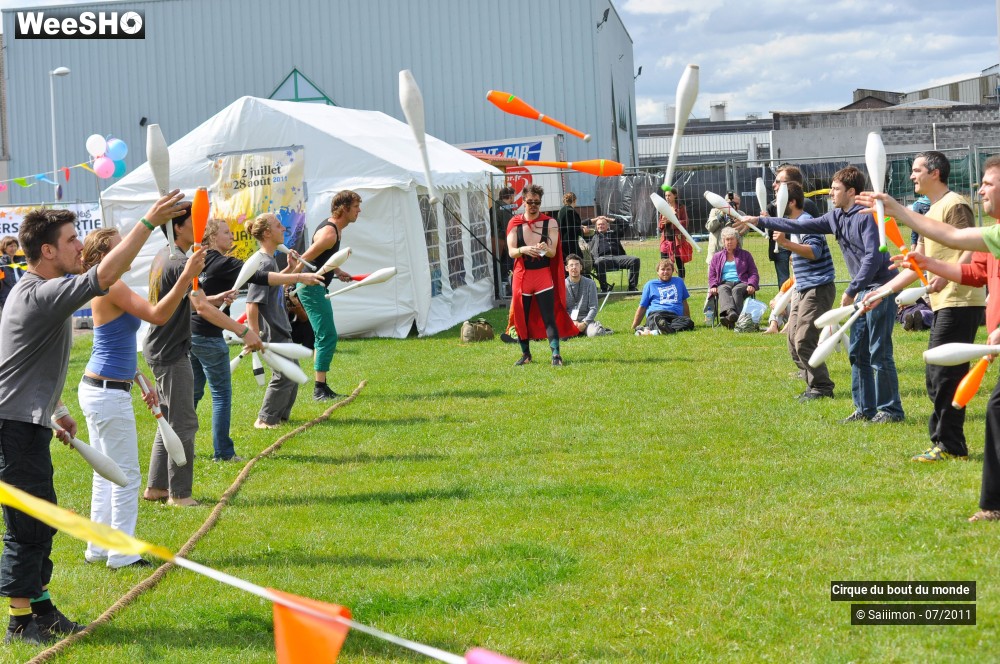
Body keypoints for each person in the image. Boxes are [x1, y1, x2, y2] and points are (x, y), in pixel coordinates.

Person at [0, 192, 186, 644]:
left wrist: (56, 409)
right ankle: (20, 622)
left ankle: (41, 609)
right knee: (27, 525)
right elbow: (105, 273)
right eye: (70, 240)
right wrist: (149, 221)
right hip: (13, 429)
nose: (79, 246)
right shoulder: (43, 293)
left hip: (27, 421)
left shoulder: (33, 290)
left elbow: (22, 363)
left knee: (39, 520)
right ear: (47, 251)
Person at [857, 155, 1000, 520]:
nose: (980, 188)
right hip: (952, 303)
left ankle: (955, 451)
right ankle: (990, 502)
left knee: (956, 385)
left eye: (988, 183)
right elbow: (969, 268)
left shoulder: (960, 209)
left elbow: (956, 239)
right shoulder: (990, 232)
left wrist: (894, 208)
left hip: (958, 306)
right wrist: (923, 269)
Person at [78, 228, 205, 569]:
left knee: (106, 473)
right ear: (108, 251)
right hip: (105, 393)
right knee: (125, 474)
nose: (129, 246)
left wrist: (137, 375)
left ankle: (99, 547)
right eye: (122, 242)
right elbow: (158, 316)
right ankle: (121, 553)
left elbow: (112, 341)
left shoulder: (110, 283)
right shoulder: (111, 285)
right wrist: (187, 277)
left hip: (103, 386)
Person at [740, 165, 904, 424]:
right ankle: (864, 409)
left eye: (836, 189)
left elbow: (873, 257)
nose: (831, 194)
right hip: (861, 290)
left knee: (878, 351)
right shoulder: (836, 216)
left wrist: (852, 289)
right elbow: (793, 223)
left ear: (851, 191)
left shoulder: (865, 216)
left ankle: (891, 410)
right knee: (858, 352)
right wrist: (758, 220)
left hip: (880, 288)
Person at [142, 203, 263, 508]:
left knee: (169, 419)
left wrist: (212, 296)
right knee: (183, 423)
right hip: (170, 352)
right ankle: (180, 495)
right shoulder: (179, 262)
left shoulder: (166, 255)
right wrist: (243, 330)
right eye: (193, 223)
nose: (200, 228)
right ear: (178, 228)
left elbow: (193, 299)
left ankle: (156, 488)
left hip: (160, 346)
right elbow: (202, 309)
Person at [191, 219, 322, 459]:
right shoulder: (223, 262)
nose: (232, 236)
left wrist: (217, 297)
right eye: (226, 233)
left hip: (192, 332)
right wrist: (300, 277)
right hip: (208, 334)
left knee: (195, 393)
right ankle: (224, 452)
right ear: (211, 237)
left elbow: (193, 297)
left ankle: (180, 437)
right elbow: (260, 280)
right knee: (220, 394)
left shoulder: (198, 261)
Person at [769, 182, 836, 401]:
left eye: (779, 198)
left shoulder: (805, 222)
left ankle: (822, 387)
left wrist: (787, 244)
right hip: (803, 288)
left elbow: (814, 252)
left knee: (804, 340)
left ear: (792, 202)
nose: (775, 202)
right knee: (792, 341)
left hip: (818, 287)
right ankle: (810, 380)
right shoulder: (791, 223)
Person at [245, 213, 310, 429]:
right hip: (272, 331)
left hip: (281, 326)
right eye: (278, 226)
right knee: (284, 375)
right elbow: (252, 302)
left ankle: (280, 417)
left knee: (292, 374)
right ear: (267, 233)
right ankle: (265, 419)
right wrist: (252, 333)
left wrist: (290, 269)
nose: (283, 229)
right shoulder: (262, 263)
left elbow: (273, 285)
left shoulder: (270, 260)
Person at [506, 183, 578, 366]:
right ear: (523, 202)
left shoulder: (550, 223)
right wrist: (524, 248)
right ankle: (526, 354)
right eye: (530, 202)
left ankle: (556, 355)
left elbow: (554, 253)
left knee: (549, 315)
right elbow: (511, 252)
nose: (533, 206)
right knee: (521, 316)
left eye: (537, 202)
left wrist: (545, 249)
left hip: (542, 276)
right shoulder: (515, 223)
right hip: (522, 276)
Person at [297, 191, 358, 400]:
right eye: (356, 206)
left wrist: (338, 272)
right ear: (344, 208)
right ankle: (319, 389)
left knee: (325, 334)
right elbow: (304, 259)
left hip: (317, 286)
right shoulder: (330, 233)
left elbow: (324, 259)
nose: (359, 210)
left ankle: (322, 386)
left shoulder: (335, 229)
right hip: (311, 287)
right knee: (327, 335)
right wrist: (289, 280)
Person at [768, 165, 821, 287]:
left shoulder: (806, 209)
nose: (773, 185)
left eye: (778, 181)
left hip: (811, 280)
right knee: (785, 285)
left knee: (795, 286)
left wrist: (789, 246)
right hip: (784, 252)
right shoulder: (775, 205)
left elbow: (814, 247)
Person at [708, 226, 759, 329]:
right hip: (725, 282)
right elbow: (712, 274)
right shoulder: (717, 257)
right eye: (727, 239)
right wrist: (713, 285)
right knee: (722, 289)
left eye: (732, 239)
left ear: (737, 240)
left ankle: (728, 317)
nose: (729, 242)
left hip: (742, 282)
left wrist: (751, 284)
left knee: (736, 290)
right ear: (723, 241)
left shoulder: (746, 255)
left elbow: (753, 272)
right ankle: (732, 314)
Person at [631, 259, 693, 334]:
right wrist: (634, 326)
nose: (665, 272)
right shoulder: (650, 285)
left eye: (668, 269)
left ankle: (658, 330)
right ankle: (662, 328)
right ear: (657, 271)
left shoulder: (679, 282)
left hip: (674, 316)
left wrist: (687, 318)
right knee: (656, 320)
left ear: (673, 271)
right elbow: (642, 307)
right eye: (662, 269)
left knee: (688, 322)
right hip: (657, 314)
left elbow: (684, 302)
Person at [589, 216, 640, 292]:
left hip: (618, 257)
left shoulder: (614, 234)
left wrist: (611, 219)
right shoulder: (592, 236)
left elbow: (625, 224)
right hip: (603, 259)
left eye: (603, 224)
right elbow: (578, 225)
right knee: (598, 262)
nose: (601, 226)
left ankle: (632, 288)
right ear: (596, 226)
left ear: (607, 226)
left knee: (635, 260)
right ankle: (604, 289)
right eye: (599, 224)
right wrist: (594, 220)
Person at [657, 190, 691, 279]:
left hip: (678, 240)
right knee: (664, 263)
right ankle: (666, 282)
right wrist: (663, 222)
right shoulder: (663, 208)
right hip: (666, 241)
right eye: (666, 195)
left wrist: (671, 221)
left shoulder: (681, 208)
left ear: (675, 195)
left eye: (669, 195)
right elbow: (660, 227)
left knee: (680, 264)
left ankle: (681, 283)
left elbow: (685, 222)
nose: (667, 197)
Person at [563, 253, 600, 335]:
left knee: (594, 334)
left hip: (586, 320)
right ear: (566, 268)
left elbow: (594, 307)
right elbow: (562, 309)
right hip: (569, 321)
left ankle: (596, 327)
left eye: (577, 265)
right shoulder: (562, 285)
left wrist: (585, 323)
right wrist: (572, 321)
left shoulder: (590, 283)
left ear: (581, 267)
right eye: (571, 265)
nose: (574, 267)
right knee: (561, 336)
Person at [705, 192, 742, 259]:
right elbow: (710, 227)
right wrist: (721, 215)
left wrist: (734, 218)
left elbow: (744, 232)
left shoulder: (741, 215)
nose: (732, 205)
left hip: (734, 256)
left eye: (737, 204)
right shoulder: (715, 212)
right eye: (730, 203)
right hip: (715, 255)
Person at [557, 192, 585, 262]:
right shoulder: (570, 211)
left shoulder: (561, 211)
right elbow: (572, 229)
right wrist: (581, 230)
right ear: (574, 200)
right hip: (570, 244)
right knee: (578, 260)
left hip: (562, 242)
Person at [0, 236, 19, 321]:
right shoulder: (1, 264)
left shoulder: (20, 262)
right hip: (6, 301)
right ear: (4, 248)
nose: (14, 248)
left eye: (15, 246)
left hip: (19, 299)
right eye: (11, 246)